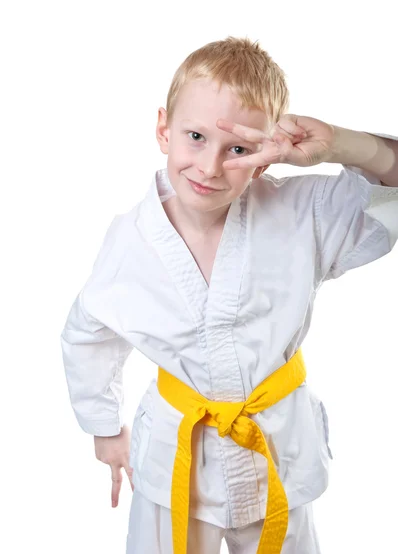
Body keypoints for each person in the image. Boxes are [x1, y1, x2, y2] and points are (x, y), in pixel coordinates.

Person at [60, 36, 398, 554]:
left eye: (238, 148)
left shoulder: (299, 216)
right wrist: (104, 429)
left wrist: (338, 145)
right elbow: (88, 332)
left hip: (277, 450)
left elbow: (389, 187)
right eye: (195, 136)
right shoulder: (131, 239)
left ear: (265, 160)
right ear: (162, 129)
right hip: (176, 457)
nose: (211, 167)